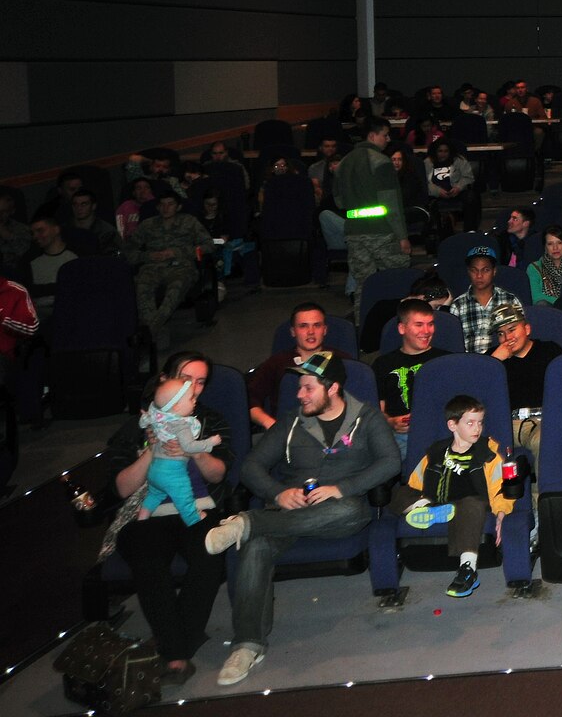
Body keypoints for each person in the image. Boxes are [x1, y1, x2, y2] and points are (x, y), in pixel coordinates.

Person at [203, 351, 399, 685]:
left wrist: (342, 487)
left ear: (332, 388)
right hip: (288, 512)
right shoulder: (292, 422)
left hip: (338, 515)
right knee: (256, 548)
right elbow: (251, 466)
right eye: (300, 387)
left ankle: (249, 522)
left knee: (351, 508)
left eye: (308, 387)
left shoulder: (366, 418)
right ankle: (247, 644)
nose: (299, 394)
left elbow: (390, 462)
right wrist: (278, 493)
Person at [104, 353, 228, 687]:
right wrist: (151, 452)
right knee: (148, 561)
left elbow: (219, 475)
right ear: (164, 380)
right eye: (186, 378)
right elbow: (120, 487)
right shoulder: (139, 424)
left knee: (209, 555)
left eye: (201, 381)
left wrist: (195, 452)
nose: (194, 388)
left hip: (197, 507)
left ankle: (174, 647)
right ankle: (178, 652)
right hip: (147, 512)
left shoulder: (207, 420)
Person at [394, 395, 516, 598]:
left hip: (468, 503)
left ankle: (467, 568)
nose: (477, 428)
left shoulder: (488, 455)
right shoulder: (435, 453)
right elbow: (415, 481)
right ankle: (424, 510)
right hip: (435, 499)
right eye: (470, 423)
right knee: (397, 493)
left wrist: (502, 512)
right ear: (453, 425)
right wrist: (415, 498)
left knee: (472, 504)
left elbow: (499, 488)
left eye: (480, 423)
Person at [336, 118, 413, 303]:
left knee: (364, 286)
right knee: (399, 281)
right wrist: (402, 236)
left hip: (353, 231)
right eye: (385, 135)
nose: (387, 139)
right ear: (372, 135)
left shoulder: (343, 163)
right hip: (382, 232)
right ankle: (398, 326)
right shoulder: (382, 162)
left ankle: (363, 326)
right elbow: (391, 204)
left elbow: (339, 202)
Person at [247, 303, 350, 431]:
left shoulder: (343, 361)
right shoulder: (276, 363)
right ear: (293, 331)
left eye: (317, 325)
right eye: (303, 326)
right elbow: (249, 401)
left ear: (325, 330)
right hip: (287, 431)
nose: (311, 332)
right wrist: (269, 423)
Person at [126, 190, 207, 344]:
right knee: (142, 289)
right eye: (162, 205)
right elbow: (128, 251)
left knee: (174, 290)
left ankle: (149, 332)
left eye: (170, 204)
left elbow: (207, 245)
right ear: (157, 207)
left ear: (178, 207)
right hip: (152, 267)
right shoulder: (147, 225)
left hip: (181, 266)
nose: (166, 208)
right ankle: (157, 332)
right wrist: (147, 256)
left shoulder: (189, 222)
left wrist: (177, 252)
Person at [373, 299, 447, 458]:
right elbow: (378, 411)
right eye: (419, 325)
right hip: (399, 436)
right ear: (402, 328)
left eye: (430, 324)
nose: (427, 331)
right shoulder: (383, 364)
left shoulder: (446, 360)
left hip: (439, 432)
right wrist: (391, 422)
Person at [488, 304, 562, 427]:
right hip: (511, 425)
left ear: (527, 329)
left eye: (512, 330)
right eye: (501, 334)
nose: (507, 338)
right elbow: (475, 393)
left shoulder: (550, 351)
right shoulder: (492, 358)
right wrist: (494, 362)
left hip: (549, 421)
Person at [449, 246, 521, 355]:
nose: (479, 275)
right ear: (468, 272)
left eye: (485, 270)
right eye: (474, 270)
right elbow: (454, 344)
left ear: (494, 271)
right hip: (470, 363)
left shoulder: (509, 300)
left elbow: (520, 336)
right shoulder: (458, 305)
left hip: (504, 360)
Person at [528, 225, 562, 307]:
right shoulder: (534, 268)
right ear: (545, 247)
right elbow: (536, 297)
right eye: (550, 244)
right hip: (549, 310)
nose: (555, 248)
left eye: (559, 243)